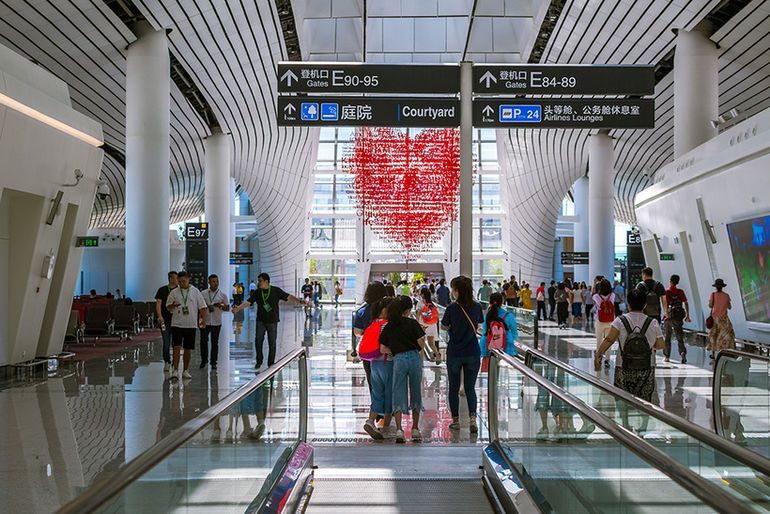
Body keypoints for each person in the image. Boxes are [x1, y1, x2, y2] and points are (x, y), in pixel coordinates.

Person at [595, 288, 664, 402]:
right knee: (644, 401)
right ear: (645, 305)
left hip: (623, 366)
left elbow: (609, 340)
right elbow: (661, 344)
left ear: (629, 304)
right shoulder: (653, 322)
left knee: (623, 401)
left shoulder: (619, 321)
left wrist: (598, 355)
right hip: (647, 367)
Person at [232, 273, 302, 370]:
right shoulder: (257, 292)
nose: (258, 282)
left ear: (266, 281)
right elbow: (249, 302)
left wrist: (299, 301)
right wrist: (239, 308)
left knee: (272, 343)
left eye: (260, 281)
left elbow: (288, 297)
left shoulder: (276, 290)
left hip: (272, 321)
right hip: (260, 321)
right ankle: (259, 361)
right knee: (258, 341)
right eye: (258, 281)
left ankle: (271, 363)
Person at [379, 296, 425, 443]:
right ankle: (415, 429)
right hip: (414, 358)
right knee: (416, 391)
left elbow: (382, 348)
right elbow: (421, 342)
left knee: (398, 391)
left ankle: (399, 430)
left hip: (399, 359)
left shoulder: (389, 326)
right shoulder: (412, 323)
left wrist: (394, 351)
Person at [441, 276, 483, 433]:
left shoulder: (452, 308)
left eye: (453, 289)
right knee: (470, 388)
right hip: (472, 351)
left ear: (457, 290)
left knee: (453, 388)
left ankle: (456, 421)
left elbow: (444, 326)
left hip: (455, 352)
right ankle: (472, 420)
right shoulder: (477, 306)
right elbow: (479, 323)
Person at [359, 297, 395, 440]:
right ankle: (385, 426)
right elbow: (385, 347)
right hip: (387, 363)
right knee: (389, 395)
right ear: (386, 310)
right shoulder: (387, 325)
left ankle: (370, 421)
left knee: (377, 394)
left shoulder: (373, 323)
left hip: (374, 363)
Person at [354, 281, 388, 425]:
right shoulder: (388, 309)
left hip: (369, 353)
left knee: (373, 383)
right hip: (387, 352)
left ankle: (377, 412)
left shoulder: (362, 311)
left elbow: (357, 332)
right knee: (388, 382)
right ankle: (388, 412)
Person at [166, 271, 207, 380]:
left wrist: (203, 320)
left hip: (191, 324)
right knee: (176, 347)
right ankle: (175, 370)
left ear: (188, 279)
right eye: (179, 282)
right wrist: (172, 306)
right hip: (177, 324)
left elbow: (202, 307)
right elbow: (168, 307)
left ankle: (185, 370)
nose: (181, 284)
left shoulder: (195, 291)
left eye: (183, 281)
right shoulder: (174, 292)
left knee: (188, 348)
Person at [200, 274, 230, 370]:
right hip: (205, 321)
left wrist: (220, 306)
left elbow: (227, 308)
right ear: (209, 282)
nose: (216, 283)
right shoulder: (203, 293)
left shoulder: (222, 295)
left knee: (214, 342)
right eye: (213, 281)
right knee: (203, 341)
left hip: (216, 322)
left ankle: (213, 362)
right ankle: (204, 360)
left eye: (217, 281)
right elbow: (199, 306)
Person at [480, 292, 518, 363]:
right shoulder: (509, 315)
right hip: (506, 346)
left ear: (490, 302)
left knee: (489, 366)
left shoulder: (487, 316)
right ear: (502, 302)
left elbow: (485, 330)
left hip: (488, 344)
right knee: (504, 367)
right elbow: (514, 333)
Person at [663, 274, 691, 363]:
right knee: (679, 337)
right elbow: (686, 303)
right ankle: (682, 353)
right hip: (678, 317)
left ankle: (667, 356)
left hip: (669, 317)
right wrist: (687, 315)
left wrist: (666, 314)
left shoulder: (667, 292)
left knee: (667, 337)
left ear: (670, 281)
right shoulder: (680, 292)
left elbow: (665, 305)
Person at [155, 271, 178, 372]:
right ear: (170, 278)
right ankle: (167, 361)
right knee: (166, 341)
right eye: (175, 278)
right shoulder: (162, 290)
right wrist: (159, 316)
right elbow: (158, 304)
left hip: (177, 320)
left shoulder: (179, 290)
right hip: (165, 320)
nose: (177, 280)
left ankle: (175, 362)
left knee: (176, 343)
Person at [708, 278, 735, 359]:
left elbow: (710, 305)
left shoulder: (713, 295)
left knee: (713, 335)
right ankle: (725, 352)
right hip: (724, 320)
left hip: (715, 319)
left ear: (716, 287)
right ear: (722, 287)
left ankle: (713, 354)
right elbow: (729, 307)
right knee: (726, 336)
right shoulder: (726, 296)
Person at [593, 278, 617, 369]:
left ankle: (598, 358)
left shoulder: (596, 296)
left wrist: (595, 284)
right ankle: (607, 360)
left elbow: (594, 295)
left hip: (600, 320)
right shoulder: (612, 295)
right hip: (610, 320)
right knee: (608, 341)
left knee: (599, 340)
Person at [417, 288, 442, 364]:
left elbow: (418, 314)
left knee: (421, 344)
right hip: (432, 325)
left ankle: (421, 361)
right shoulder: (432, 304)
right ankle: (437, 355)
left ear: (422, 295)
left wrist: (417, 323)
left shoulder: (420, 303)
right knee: (431, 343)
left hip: (423, 325)